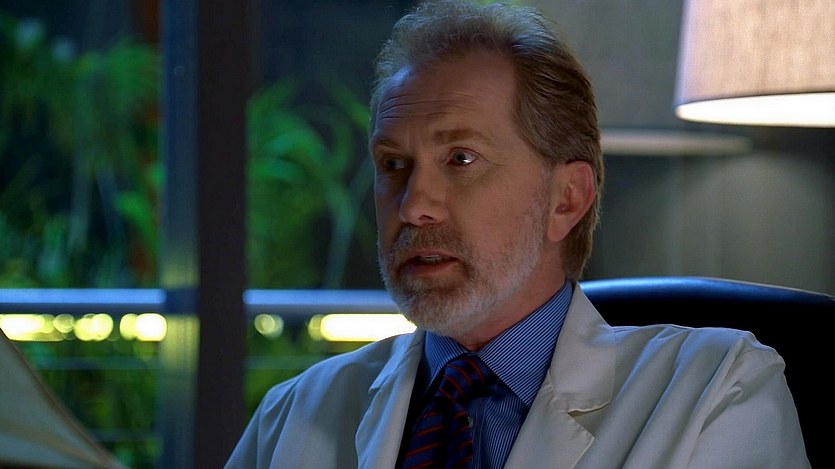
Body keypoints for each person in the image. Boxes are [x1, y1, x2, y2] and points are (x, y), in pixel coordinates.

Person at [225, 0, 810, 467]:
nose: (414, 205)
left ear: (566, 199)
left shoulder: (715, 390)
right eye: (393, 164)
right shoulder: (294, 414)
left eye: (461, 159)